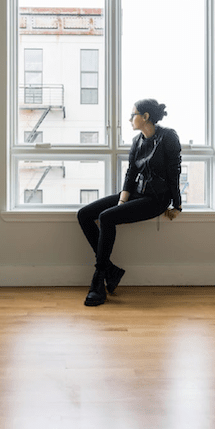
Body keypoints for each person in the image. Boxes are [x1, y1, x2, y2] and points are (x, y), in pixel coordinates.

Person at [77, 98, 182, 306]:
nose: (129, 119)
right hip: (136, 193)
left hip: (156, 199)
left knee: (106, 218)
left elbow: (174, 172)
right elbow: (131, 173)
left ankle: (99, 279)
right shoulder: (137, 141)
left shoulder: (168, 137)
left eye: (133, 114)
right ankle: (111, 270)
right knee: (84, 214)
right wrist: (122, 201)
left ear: (145, 117)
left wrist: (176, 205)